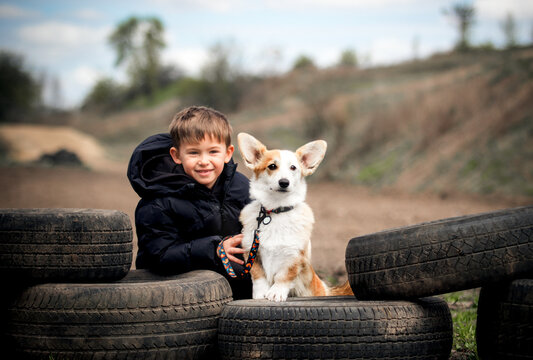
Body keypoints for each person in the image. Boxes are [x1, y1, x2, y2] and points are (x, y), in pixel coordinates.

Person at [127, 106, 252, 299]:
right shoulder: (157, 202)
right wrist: (215, 249)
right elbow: (157, 257)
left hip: (235, 285)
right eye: (194, 153)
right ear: (176, 155)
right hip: (180, 294)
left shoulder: (243, 186)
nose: (204, 161)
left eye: (213, 152)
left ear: (227, 153)